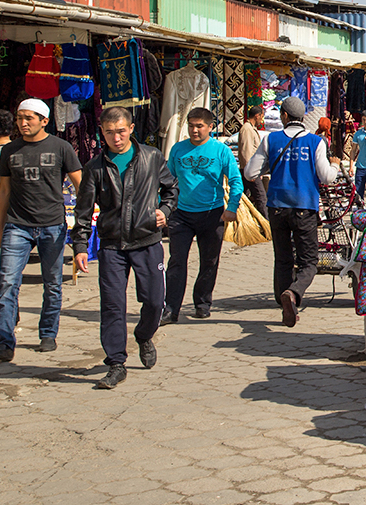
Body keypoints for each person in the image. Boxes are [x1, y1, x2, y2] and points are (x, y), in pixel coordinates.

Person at [72, 107, 178, 389]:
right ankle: (116, 363)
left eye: (120, 131)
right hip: (111, 245)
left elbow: (171, 189)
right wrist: (80, 245)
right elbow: (83, 211)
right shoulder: (95, 167)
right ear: (102, 132)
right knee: (112, 305)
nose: (116, 138)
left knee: (155, 301)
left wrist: (165, 211)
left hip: (147, 241)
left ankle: (144, 335)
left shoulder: (152, 157)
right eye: (109, 132)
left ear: (131, 129)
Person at [0, 99, 84, 362]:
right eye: (19, 118)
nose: (23, 123)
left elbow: (81, 185)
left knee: (52, 283)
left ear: (44, 120)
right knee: (8, 283)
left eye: (29, 118)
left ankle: (48, 333)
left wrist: (82, 222)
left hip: (52, 226)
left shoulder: (61, 147)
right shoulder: (10, 150)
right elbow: (4, 191)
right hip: (17, 226)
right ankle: (5, 341)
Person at [244, 97, 339, 328]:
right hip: (304, 207)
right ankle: (294, 293)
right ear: (302, 118)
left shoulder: (271, 139)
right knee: (309, 261)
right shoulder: (316, 142)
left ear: (284, 116)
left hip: (276, 206)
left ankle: (283, 301)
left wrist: (271, 165)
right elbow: (326, 176)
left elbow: (250, 172)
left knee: (283, 257)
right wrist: (335, 164)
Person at [163, 107, 243, 322]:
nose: (195, 130)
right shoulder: (178, 150)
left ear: (210, 127)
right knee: (176, 262)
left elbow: (236, 181)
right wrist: (164, 208)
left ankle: (202, 302)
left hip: (212, 214)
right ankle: (170, 308)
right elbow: (167, 180)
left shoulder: (221, 151)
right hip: (181, 215)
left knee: (209, 261)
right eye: (191, 126)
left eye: (199, 126)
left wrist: (232, 208)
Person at [238, 105, 268, 218]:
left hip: (249, 170)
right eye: (261, 116)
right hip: (249, 171)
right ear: (257, 116)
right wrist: (251, 172)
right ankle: (266, 225)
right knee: (261, 197)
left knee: (244, 197)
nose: (261, 119)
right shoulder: (246, 129)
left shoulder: (250, 128)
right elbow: (246, 152)